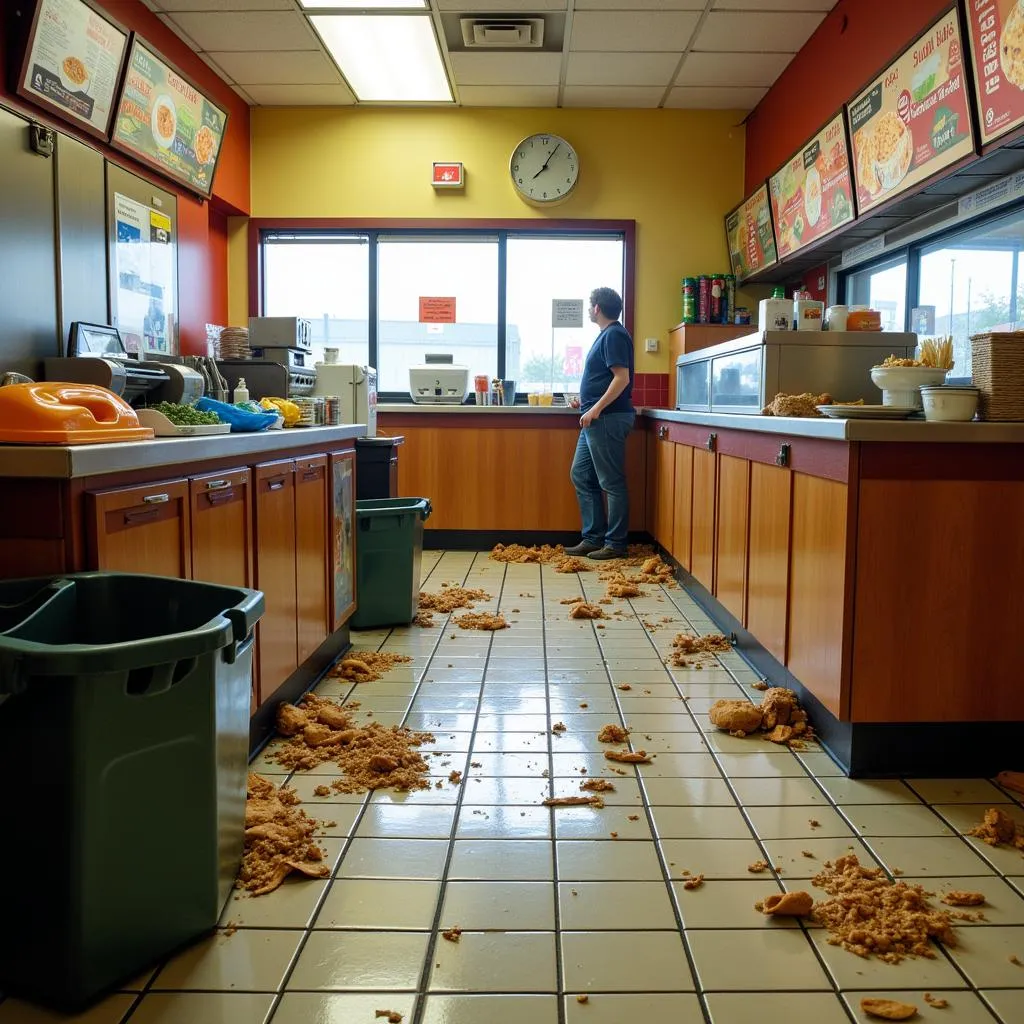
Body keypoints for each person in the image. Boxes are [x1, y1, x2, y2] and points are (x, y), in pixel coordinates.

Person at [565, 286, 635, 560]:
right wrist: (585, 403)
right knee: (581, 474)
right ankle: (593, 538)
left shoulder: (615, 334)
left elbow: (622, 378)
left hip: (607, 418)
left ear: (597, 308)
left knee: (611, 482)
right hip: (595, 418)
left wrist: (594, 408)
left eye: (589, 305)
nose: (588, 309)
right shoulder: (607, 335)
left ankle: (615, 544)